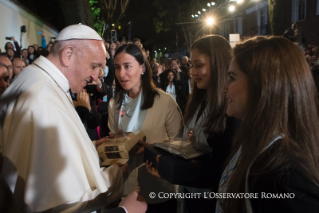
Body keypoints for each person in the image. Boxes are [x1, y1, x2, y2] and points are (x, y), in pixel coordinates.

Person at [0, 24, 147, 213]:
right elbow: (59, 203)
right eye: (94, 66)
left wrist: (90, 147)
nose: (96, 76)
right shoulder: (42, 99)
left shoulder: (37, 81)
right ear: (68, 54)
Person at [217, 36, 319, 213]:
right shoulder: (253, 142)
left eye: (232, 78)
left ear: (263, 86)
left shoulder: (285, 172)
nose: (224, 87)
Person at [146, 35, 240, 213]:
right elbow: (193, 144)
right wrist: (171, 152)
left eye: (199, 65)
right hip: (190, 195)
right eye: (192, 66)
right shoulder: (199, 101)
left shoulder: (230, 110)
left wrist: (177, 173)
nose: (192, 72)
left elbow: (221, 170)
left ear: (218, 64)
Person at [108, 44, 182, 213]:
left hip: (159, 189)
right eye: (117, 67)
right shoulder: (115, 104)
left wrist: (151, 148)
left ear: (142, 68)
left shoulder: (165, 101)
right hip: (127, 193)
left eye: (127, 66)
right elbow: (113, 142)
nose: (121, 74)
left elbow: (180, 144)